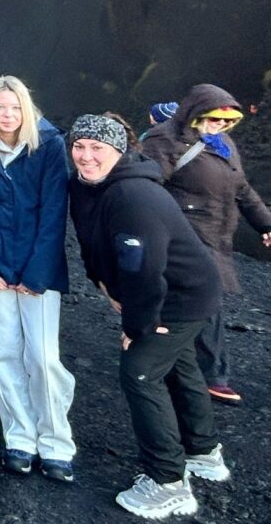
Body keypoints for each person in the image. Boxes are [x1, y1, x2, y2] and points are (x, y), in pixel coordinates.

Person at [67, 115, 229, 519]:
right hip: (173, 287)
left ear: (119, 151)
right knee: (179, 363)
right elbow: (94, 243)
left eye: (97, 148)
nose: (86, 157)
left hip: (181, 295)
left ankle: (168, 481)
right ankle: (204, 452)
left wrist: (137, 326)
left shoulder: (132, 196)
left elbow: (144, 269)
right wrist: (103, 285)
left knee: (141, 368)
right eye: (79, 146)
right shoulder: (89, 186)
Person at [0, 75, 75, 481]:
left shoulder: (49, 146)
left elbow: (54, 212)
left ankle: (56, 442)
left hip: (37, 269)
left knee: (42, 358)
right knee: (2, 357)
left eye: (14, 107)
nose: (7, 115)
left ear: (27, 108)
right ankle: (19, 438)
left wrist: (36, 275)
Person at [141, 84, 271, 406]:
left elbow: (242, 189)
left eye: (228, 122)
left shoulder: (222, 144)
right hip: (184, 232)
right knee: (206, 299)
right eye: (215, 119)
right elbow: (146, 183)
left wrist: (266, 224)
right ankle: (212, 376)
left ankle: (165, 359)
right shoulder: (165, 139)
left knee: (187, 300)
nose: (222, 126)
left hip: (217, 233)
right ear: (196, 113)